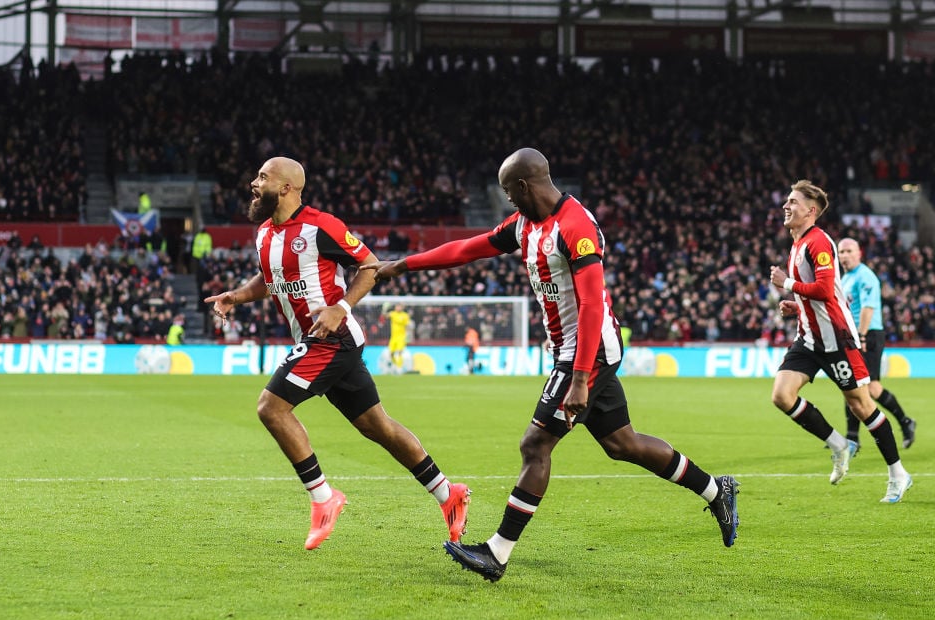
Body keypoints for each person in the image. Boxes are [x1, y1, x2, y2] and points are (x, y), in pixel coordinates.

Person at [363, 148, 739, 582]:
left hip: (587, 353)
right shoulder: (525, 223)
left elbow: (592, 305)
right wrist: (403, 265)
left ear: (524, 186)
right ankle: (717, 490)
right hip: (572, 352)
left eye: (509, 191)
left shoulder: (576, 227)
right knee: (623, 444)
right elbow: (470, 248)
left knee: (535, 445)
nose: (507, 200)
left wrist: (579, 380)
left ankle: (496, 553)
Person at [204, 156, 470, 550]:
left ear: (288, 188)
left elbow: (370, 265)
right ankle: (449, 494)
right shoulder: (264, 232)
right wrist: (236, 296)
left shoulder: (320, 226)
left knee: (271, 408)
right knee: (376, 426)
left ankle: (324, 498)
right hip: (317, 340)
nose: (253, 184)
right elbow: (270, 278)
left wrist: (339, 308)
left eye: (263, 177)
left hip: (333, 338)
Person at [768, 180, 911, 503]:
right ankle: (838, 443)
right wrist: (797, 305)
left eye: (793, 202)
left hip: (837, 340)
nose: (786, 206)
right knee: (781, 395)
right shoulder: (797, 242)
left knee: (862, 406)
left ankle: (898, 474)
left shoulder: (817, 242)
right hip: (808, 337)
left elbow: (823, 287)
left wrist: (787, 283)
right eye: (787, 201)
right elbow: (818, 295)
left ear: (811, 210)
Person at [837, 238, 916, 449]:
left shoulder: (865, 276)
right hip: (852, 336)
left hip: (868, 335)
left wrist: (861, 335)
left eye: (848, 251)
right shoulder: (845, 278)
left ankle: (905, 421)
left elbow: (868, 309)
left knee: (870, 387)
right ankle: (852, 437)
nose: (844, 255)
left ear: (859, 253)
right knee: (851, 386)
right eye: (841, 252)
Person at [384, 303, 411, 373]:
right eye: (397, 307)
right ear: (395, 307)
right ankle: (395, 365)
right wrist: (384, 309)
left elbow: (407, 325)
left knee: (399, 352)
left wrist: (408, 335)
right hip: (393, 337)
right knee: (391, 353)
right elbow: (385, 316)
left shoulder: (405, 315)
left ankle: (399, 367)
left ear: (402, 308)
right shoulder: (392, 313)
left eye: (399, 307)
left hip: (401, 337)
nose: (398, 308)